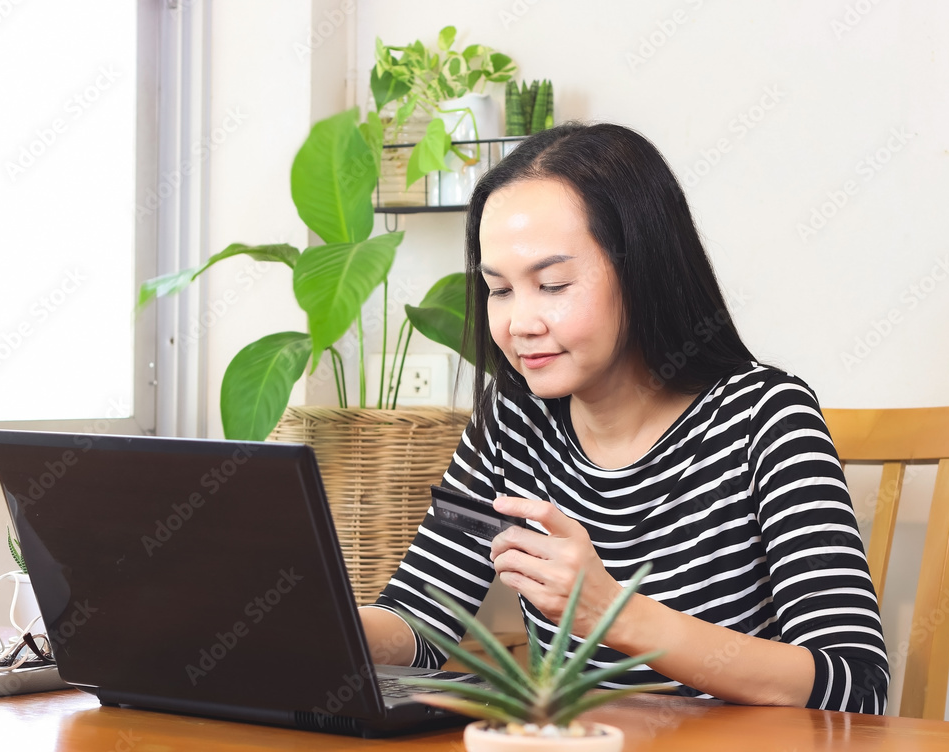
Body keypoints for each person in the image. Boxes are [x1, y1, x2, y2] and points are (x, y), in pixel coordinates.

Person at [358, 122, 889, 713]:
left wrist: (613, 613)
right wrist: (312, 623)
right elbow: (419, 620)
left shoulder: (765, 418)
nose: (519, 324)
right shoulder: (514, 420)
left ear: (642, 273)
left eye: (552, 284)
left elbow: (857, 687)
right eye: (499, 290)